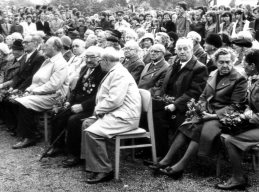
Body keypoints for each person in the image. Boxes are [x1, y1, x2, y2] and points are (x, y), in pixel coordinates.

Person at [151, 48, 247, 180]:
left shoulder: (239, 79)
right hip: (207, 112)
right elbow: (203, 95)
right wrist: (200, 108)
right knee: (187, 125)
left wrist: (213, 116)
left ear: (233, 61)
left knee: (200, 129)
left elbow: (236, 106)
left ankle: (180, 166)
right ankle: (167, 160)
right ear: (215, 62)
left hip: (225, 117)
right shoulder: (213, 73)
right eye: (221, 62)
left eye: (228, 62)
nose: (225, 65)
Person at [80, 48, 142, 184]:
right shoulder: (114, 71)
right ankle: (91, 164)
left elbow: (114, 100)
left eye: (101, 60)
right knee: (86, 124)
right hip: (116, 113)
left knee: (92, 132)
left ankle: (104, 170)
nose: (99, 63)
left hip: (125, 117)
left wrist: (98, 110)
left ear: (106, 61)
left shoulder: (119, 74)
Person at [47, 47, 106, 163]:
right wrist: (69, 101)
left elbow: (99, 95)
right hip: (77, 103)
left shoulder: (103, 71)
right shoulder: (84, 68)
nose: (88, 60)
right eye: (86, 57)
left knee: (73, 120)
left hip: (92, 107)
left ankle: (75, 154)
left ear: (99, 58)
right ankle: (58, 146)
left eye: (92, 57)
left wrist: (82, 106)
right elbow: (75, 89)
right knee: (56, 113)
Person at [151, 38, 208, 158]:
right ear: (176, 50)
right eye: (179, 49)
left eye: (185, 49)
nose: (182, 51)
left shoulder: (199, 68)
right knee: (149, 110)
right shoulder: (175, 64)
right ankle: (154, 151)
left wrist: (175, 104)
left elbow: (195, 92)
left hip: (185, 106)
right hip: (169, 101)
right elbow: (165, 85)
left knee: (159, 116)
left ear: (192, 50)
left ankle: (166, 155)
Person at [12, 37, 69, 149]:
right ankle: (33, 132)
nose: (43, 47)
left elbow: (53, 85)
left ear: (54, 48)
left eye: (46, 45)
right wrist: (29, 90)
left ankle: (30, 137)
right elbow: (36, 80)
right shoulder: (47, 61)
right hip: (41, 94)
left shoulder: (60, 63)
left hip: (54, 97)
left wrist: (33, 91)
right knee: (16, 100)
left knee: (22, 102)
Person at [217, 50, 259, 190]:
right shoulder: (254, 79)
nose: (242, 65)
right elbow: (252, 104)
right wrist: (247, 110)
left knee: (228, 138)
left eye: (244, 63)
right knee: (226, 135)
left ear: (252, 65)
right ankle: (238, 175)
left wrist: (246, 117)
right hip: (255, 123)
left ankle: (238, 178)